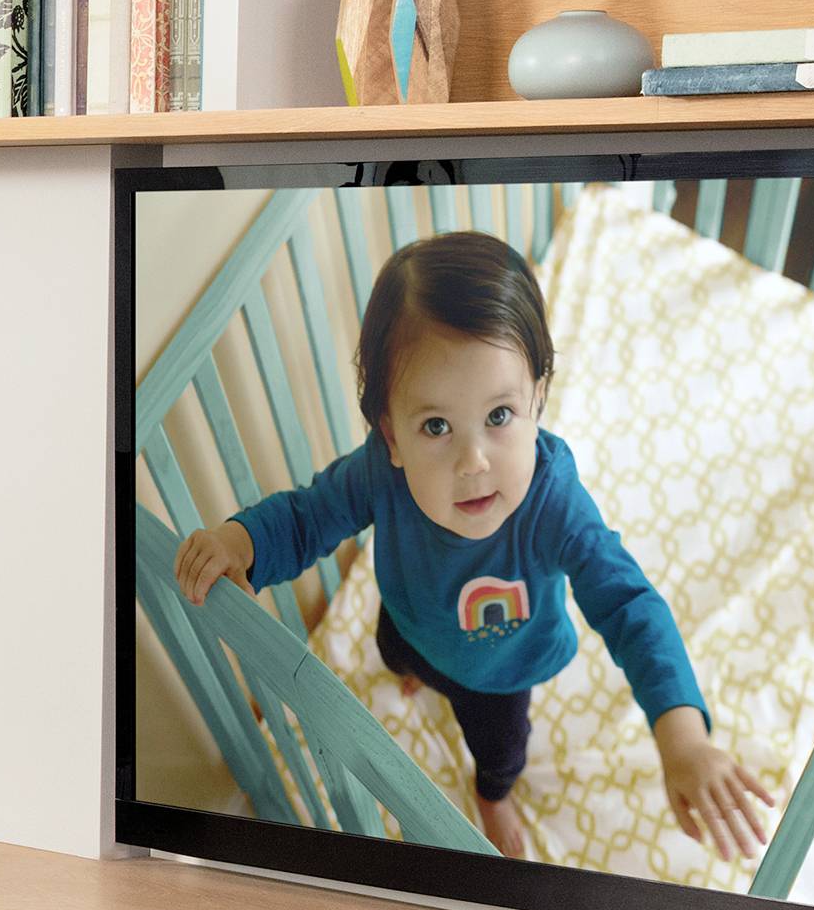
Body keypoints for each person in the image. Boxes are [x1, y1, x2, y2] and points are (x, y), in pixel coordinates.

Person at [172, 229, 772, 862]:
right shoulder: (380, 473)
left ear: (538, 399)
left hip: (501, 671)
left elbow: (629, 605)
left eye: (499, 416)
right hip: (408, 621)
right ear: (392, 437)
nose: (473, 461)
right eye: (436, 426)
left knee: (500, 752)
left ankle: (493, 797)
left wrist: (682, 736)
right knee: (393, 652)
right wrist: (241, 540)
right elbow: (307, 516)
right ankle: (412, 675)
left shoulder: (553, 503)